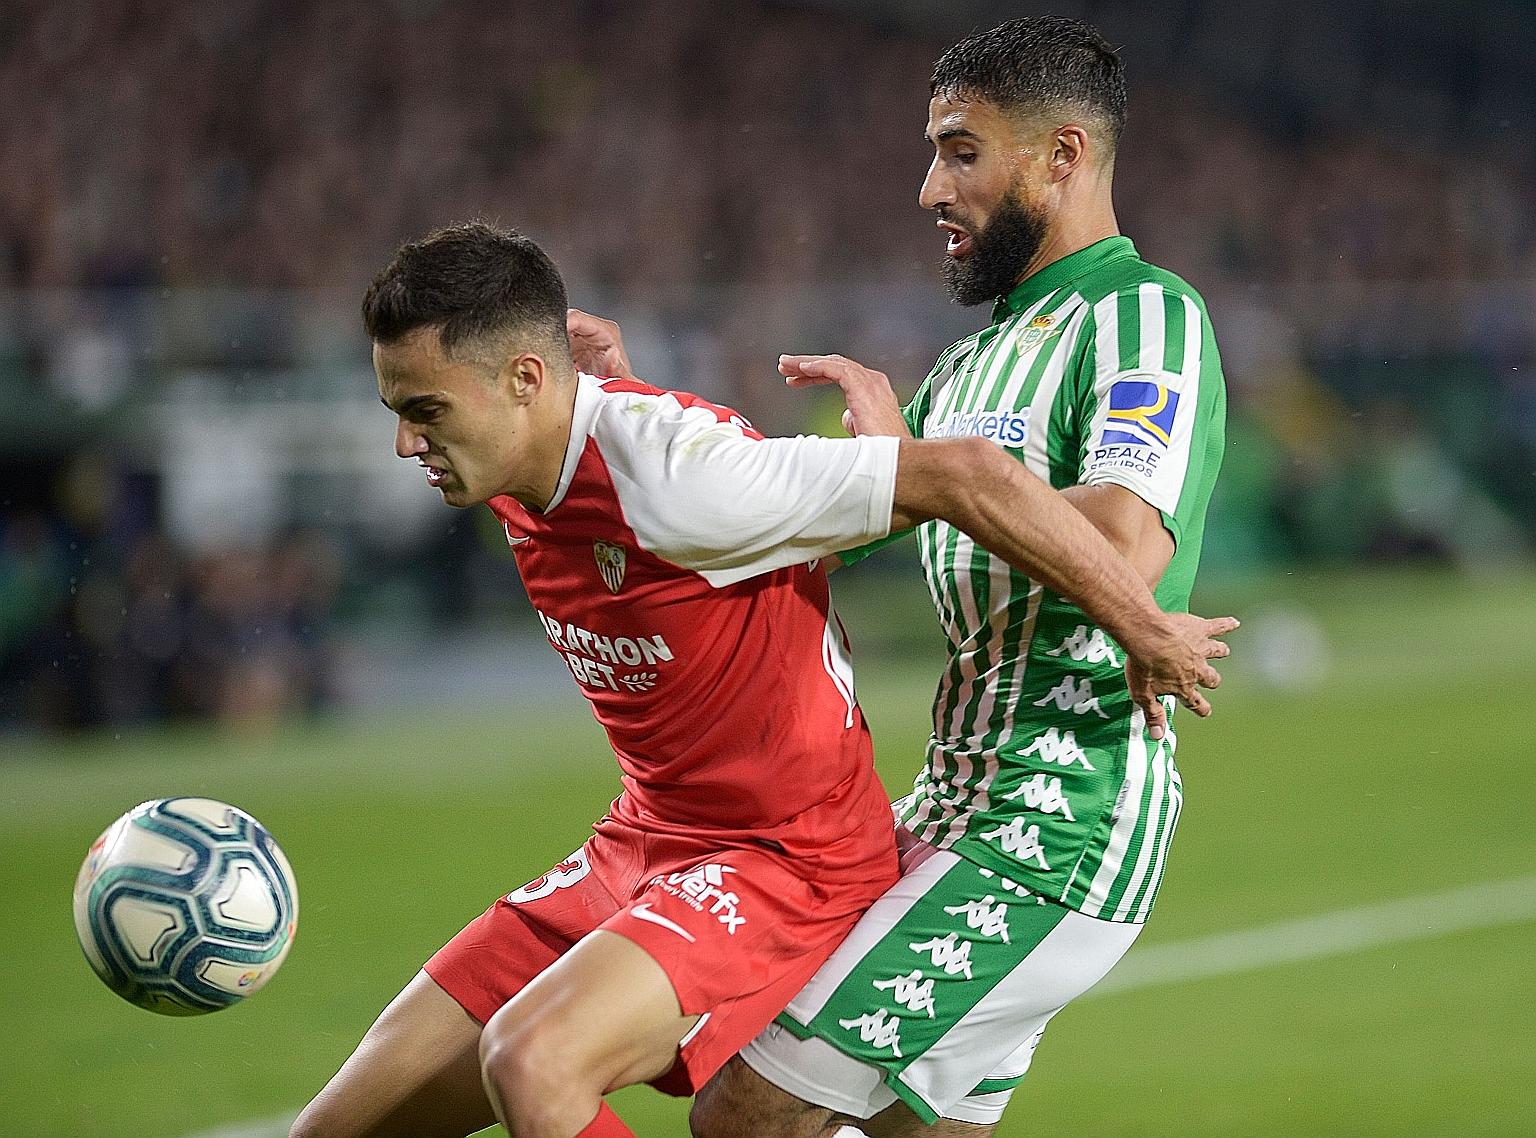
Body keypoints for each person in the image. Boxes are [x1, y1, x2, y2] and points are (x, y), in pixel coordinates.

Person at [290, 222, 1232, 1138]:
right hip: (643, 841)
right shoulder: (524, 447)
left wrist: (1142, 625)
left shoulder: (679, 478)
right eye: (398, 412)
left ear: (525, 381)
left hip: (784, 856)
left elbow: (971, 474)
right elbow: (605, 435)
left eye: (426, 413)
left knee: (533, 1063)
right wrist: (602, 384)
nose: (407, 446)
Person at [572, 16, 1231, 1138]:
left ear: (1063, 156)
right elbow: (806, 521)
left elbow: (1122, 543)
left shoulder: (1144, 315)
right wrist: (642, 416)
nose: (931, 187)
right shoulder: (975, 361)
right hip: (946, 800)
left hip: (1057, 816)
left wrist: (924, 473)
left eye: (962, 151)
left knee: (748, 1108)